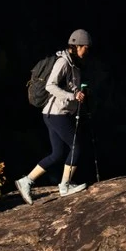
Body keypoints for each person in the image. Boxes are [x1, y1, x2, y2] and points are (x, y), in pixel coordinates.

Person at [15, 29, 93, 205]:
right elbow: (50, 86)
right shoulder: (63, 62)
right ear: (77, 46)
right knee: (76, 146)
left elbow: (69, 87)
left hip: (54, 114)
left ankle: (25, 181)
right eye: (85, 48)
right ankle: (65, 186)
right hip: (56, 113)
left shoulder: (73, 64)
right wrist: (73, 96)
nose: (87, 51)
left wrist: (79, 94)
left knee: (57, 153)